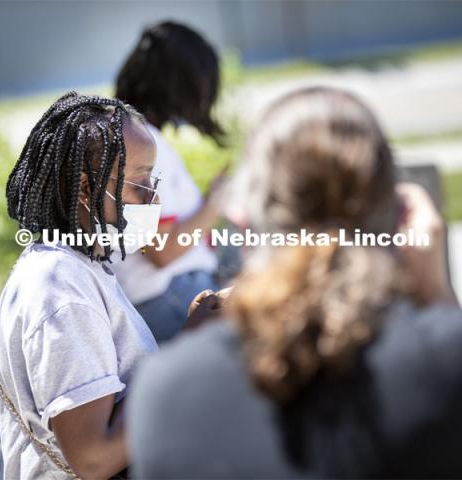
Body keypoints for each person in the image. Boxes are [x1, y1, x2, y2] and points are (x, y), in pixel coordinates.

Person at [128, 87, 461, 479]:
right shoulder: (444, 362)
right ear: (398, 216)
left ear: (243, 225)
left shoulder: (164, 391)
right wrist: (435, 293)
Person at [0, 92, 161, 479]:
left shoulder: (78, 265)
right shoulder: (61, 291)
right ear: (86, 189)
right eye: (140, 182)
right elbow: (93, 459)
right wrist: (186, 354)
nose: (154, 196)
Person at [112, 21, 226, 342]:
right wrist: (216, 200)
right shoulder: (145, 144)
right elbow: (161, 250)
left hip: (168, 296)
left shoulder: (133, 135)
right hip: (170, 297)